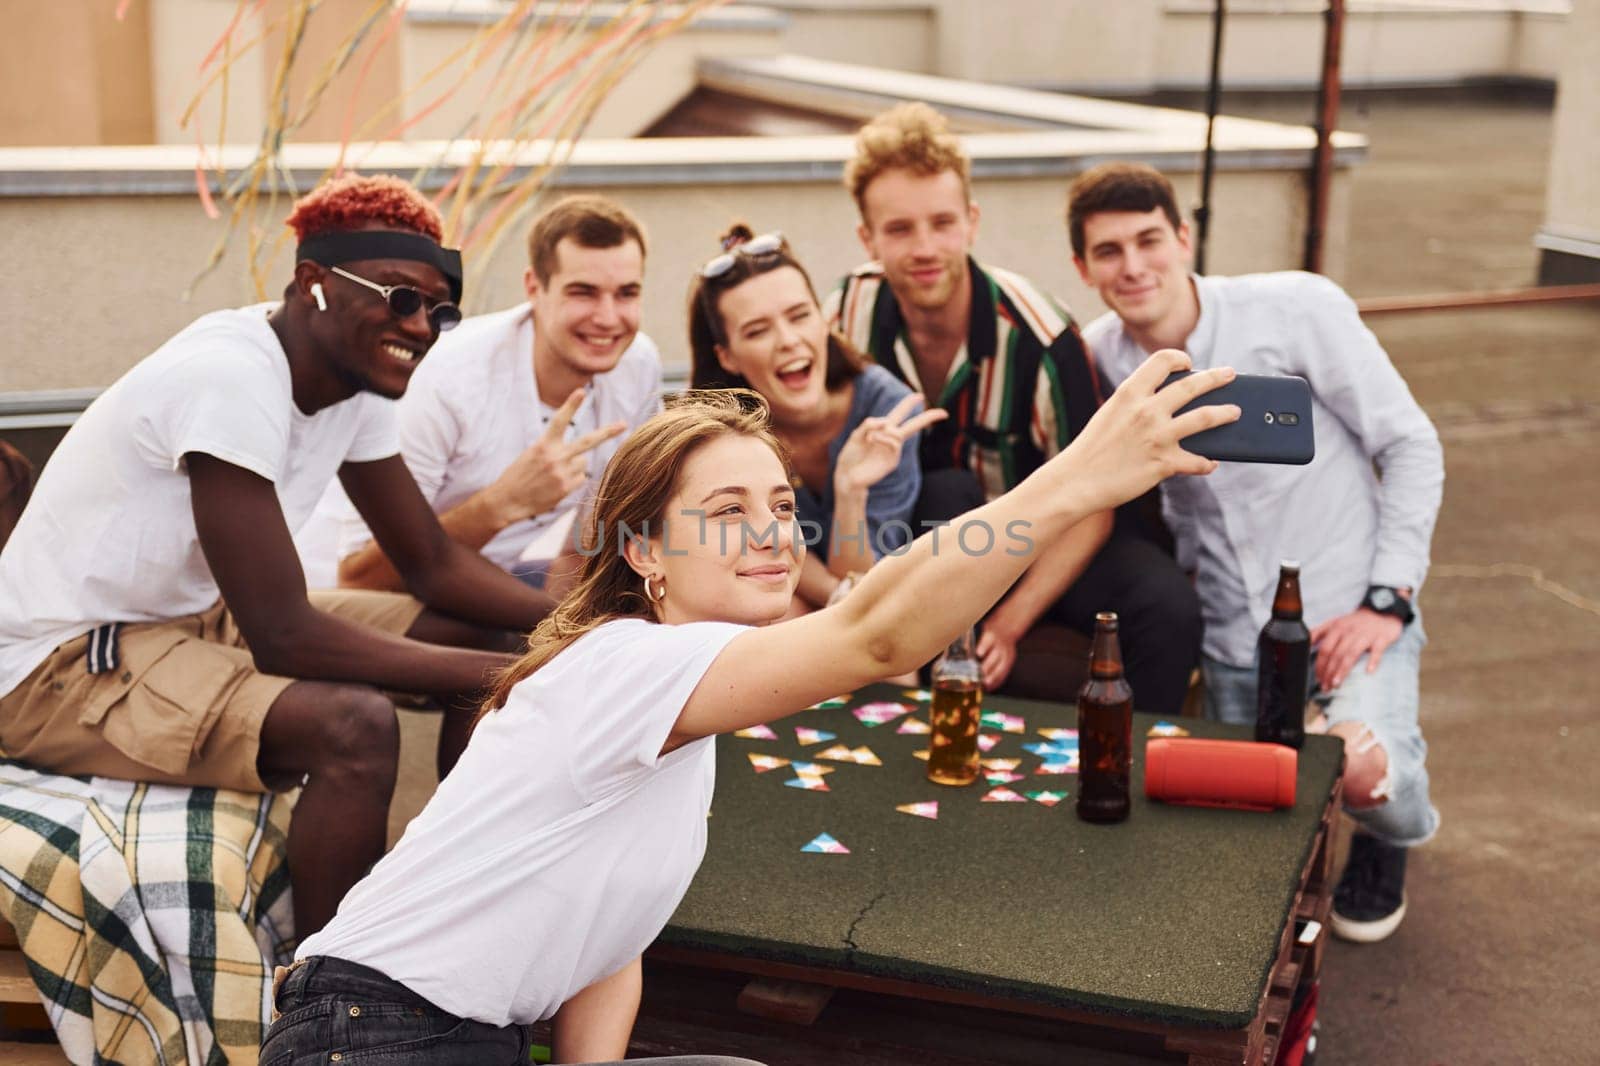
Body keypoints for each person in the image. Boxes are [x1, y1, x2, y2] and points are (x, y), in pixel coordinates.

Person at [263, 355, 1240, 1065]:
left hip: (450, 1034)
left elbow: (611, 942)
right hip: (372, 1031)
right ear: (643, 552)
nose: (771, 533)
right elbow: (876, 634)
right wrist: (1075, 478)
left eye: (779, 507)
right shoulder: (624, 664)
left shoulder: (676, 709)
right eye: (727, 513)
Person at [0, 175, 554, 937]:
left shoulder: (354, 385)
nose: (423, 326)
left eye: (440, 309)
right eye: (401, 299)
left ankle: (451, 904)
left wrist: (582, 624)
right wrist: (523, 671)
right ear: (313, 283)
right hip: (55, 668)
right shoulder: (230, 375)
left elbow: (428, 558)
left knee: (484, 640)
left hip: (190, 622)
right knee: (354, 727)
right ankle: (332, 995)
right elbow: (283, 635)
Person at [1068, 161, 1444, 943]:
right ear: (1083, 269)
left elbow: (1410, 444)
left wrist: (1389, 600)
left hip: (1347, 608)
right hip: (1235, 632)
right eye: (1108, 251)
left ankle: (1390, 839)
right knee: (1258, 813)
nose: (1133, 266)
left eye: (1148, 241)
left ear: (1184, 238)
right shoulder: (1104, 358)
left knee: (1367, 775)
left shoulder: (1297, 308)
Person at [826, 102, 1201, 715]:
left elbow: (1096, 499)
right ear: (867, 238)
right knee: (944, 492)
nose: (925, 248)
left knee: (1166, 604)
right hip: (934, 535)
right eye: (899, 229)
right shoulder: (848, 310)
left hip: (1054, 532)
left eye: (942, 223)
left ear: (972, 223)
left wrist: (1007, 622)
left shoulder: (1040, 333)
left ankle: (1132, 768)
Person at [309, 194, 663, 592]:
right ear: (534, 287)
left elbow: (584, 553)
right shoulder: (444, 378)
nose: (608, 318)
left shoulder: (637, 363)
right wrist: (502, 503)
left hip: (489, 584)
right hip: (340, 597)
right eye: (583, 292)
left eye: (627, 294)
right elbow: (358, 578)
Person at [688, 224, 945, 613]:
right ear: (728, 356)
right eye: (758, 331)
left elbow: (863, 585)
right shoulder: (716, 432)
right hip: (771, 590)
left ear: (825, 321)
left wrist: (850, 491)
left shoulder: (885, 408)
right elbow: (755, 563)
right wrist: (839, 597)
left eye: (799, 316)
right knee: (782, 614)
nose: (788, 339)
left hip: (866, 586)